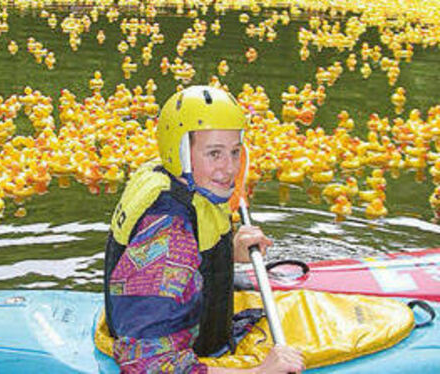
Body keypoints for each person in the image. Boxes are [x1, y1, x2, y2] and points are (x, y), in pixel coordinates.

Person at [103, 86, 305, 373]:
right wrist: (259, 372)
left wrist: (228, 254)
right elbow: (146, 365)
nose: (230, 168)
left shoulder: (180, 184)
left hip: (200, 336)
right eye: (214, 154)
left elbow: (183, 262)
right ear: (181, 153)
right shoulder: (168, 234)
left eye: (235, 152)